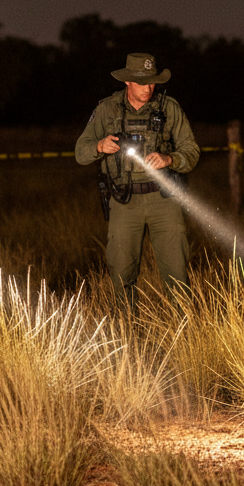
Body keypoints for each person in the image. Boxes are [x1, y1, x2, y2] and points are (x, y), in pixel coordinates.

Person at [75, 53, 200, 312]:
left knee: (176, 271)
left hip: (164, 200)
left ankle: (186, 331)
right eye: (142, 83)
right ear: (127, 82)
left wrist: (170, 158)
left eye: (152, 82)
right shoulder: (107, 109)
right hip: (123, 200)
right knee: (121, 270)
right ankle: (128, 332)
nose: (148, 88)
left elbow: (192, 152)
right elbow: (81, 151)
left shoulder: (169, 108)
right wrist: (100, 145)